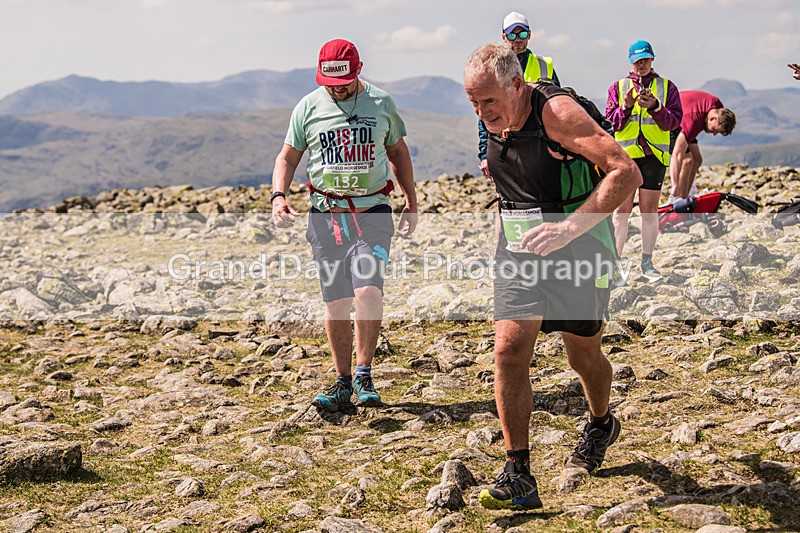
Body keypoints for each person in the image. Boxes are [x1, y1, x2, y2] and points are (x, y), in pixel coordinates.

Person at [464, 43, 641, 510]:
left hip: (579, 246)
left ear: (517, 85)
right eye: (473, 104)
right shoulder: (494, 116)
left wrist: (567, 228)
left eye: (489, 102)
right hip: (521, 252)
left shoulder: (557, 115)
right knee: (509, 349)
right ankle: (518, 472)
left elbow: (626, 173)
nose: (482, 113)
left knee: (583, 354)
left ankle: (601, 422)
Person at [271, 39, 418, 412]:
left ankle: (365, 372)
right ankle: (342, 381)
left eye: (345, 82)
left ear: (359, 69)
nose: (337, 89)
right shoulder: (308, 107)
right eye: (330, 83)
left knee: (367, 289)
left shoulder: (381, 103)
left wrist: (411, 201)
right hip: (325, 216)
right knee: (335, 301)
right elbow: (287, 157)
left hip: (372, 213)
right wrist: (278, 195)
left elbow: (398, 151)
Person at [606, 40, 682, 282]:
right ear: (631, 61)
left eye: (645, 60)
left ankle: (647, 263)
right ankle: (615, 265)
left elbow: (674, 122)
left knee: (649, 212)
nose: (642, 64)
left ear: (652, 59)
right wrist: (626, 106)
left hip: (653, 158)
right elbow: (612, 123)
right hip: (625, 158)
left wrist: (656, 107)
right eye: (638, 60)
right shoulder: (617, 87)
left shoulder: (667, 87)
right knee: (621, 212)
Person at [477, 11, 560, 179]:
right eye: (512, 34)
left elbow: (559, 104)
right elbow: (485, 113)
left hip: (540, 144)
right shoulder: (493, 70)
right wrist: (485, 155)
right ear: (504, 37)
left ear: (529, 35)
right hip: (505, 145)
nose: (518, 39)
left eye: (522, 34)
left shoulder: (544, 65)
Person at [669, 91, 736, 201]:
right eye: (714, 130)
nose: (714, 134)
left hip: (685, 117)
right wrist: (674, 186)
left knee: (697, 160)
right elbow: (677, 155)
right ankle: (677, 197)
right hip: (670, 119)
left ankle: (685, 196)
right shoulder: (693, 120)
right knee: (687, 161)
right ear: (712, 118)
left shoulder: (717, 108)